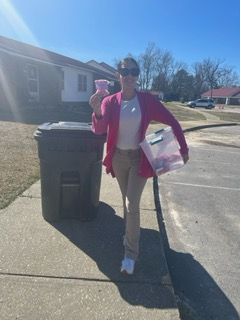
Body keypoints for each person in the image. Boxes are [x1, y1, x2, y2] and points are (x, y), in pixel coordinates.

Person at [89, 57, 189, 275]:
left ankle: (130, 254)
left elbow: (173, 121)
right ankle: (130, 232)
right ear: (118, 76)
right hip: (118, 158)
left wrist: (183, 148)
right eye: (125, 71)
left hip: (139, 158)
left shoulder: (147, 101)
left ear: (137, 75)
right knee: (127, 203)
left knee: (132, 203)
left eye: (134, 71)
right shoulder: (110, 101)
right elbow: (98, 130)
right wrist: (96, 111)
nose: (130, 75)